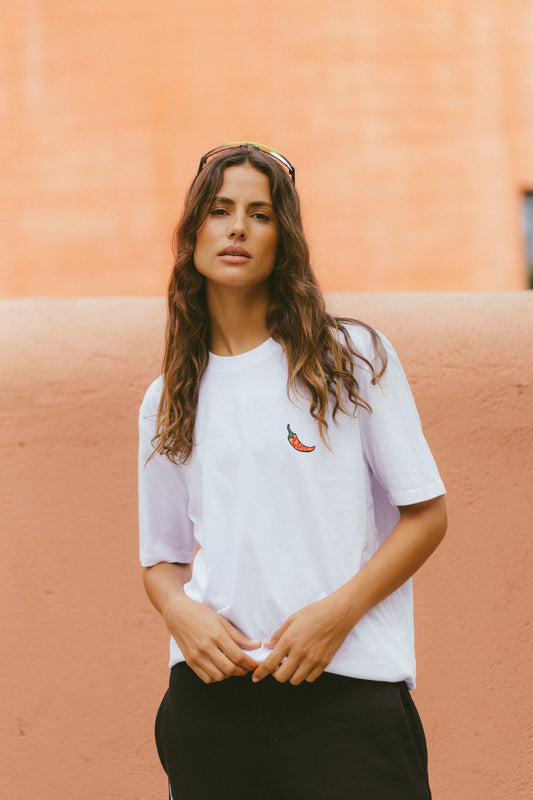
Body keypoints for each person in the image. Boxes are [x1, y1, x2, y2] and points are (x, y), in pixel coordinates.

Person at [138, 142, 447, 800]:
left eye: (260, 213)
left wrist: (336, 615)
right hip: (211, 704)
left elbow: (426, 515)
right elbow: (161, 557)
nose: (237, 228)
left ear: (285, 239)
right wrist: (179, 613)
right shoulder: (167, 397)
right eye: (219, 210)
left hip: (347, 694)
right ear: (193, 231)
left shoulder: (350, 358)